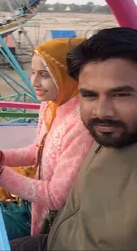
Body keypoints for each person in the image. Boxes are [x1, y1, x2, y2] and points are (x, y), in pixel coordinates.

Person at [8, 27, 137, 250]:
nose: (101, 112)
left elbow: (55, 195)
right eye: (88, 95)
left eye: (121, 94)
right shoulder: (100, 132)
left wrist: (0, 172)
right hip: (54, 239)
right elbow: (38, 150)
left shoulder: (83, 129)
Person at [0, 38, 93, 244]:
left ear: (70, 75)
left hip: (52, 222)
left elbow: (55, 197)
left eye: (44, 74)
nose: (34, 82)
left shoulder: (80, 126)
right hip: (32, 205)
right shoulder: (52, 105)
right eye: (32, 72)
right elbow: (37, 151)